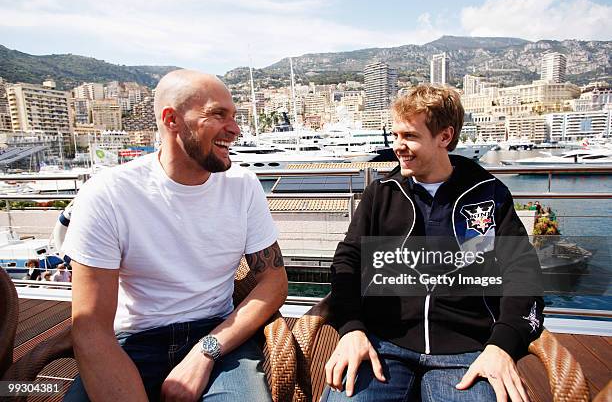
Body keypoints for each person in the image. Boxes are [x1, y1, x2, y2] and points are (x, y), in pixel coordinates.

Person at [62, 70, 288, 402]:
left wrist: (205, 351)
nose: (236, 129)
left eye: (234, 116)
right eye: (217, 114)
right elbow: (91, 327)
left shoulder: (243, 186)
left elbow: (274, 282)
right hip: (132, 342)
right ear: (172, 120)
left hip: (217, 336)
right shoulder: (109, 193)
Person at [322, 85, 543, 402]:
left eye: (410, 136)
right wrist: (351, 328)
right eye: (396, 136)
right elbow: (348, 261)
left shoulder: (488, 195)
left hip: (467, 350)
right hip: (383, 344)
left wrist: (502, 345)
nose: (398, 147)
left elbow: (522, 272)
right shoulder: (380, 194)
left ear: (444, 136)